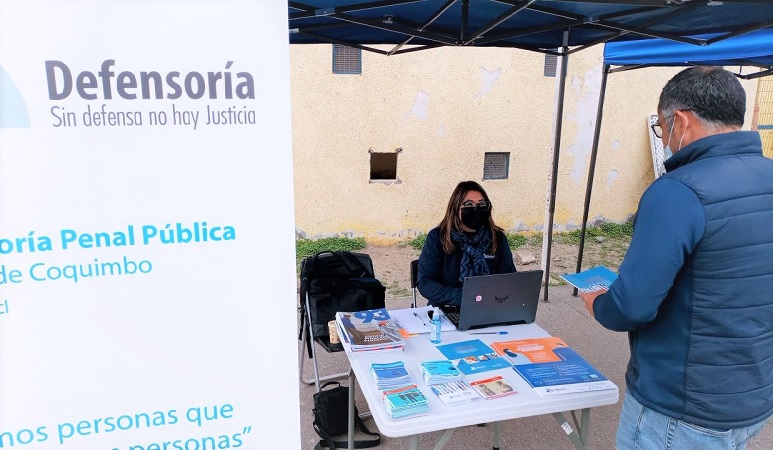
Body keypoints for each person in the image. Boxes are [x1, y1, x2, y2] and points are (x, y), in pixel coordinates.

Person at [580, 66, 773, 450]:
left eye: (662, 129)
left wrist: (600, 302)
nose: (665, 140)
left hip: (678, 408)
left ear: (680, 121)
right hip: (752, 398)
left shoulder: (677, 191)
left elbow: (632, 305)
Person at [417, 180, 516, 307]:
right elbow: (425, 282)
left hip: (490, 306)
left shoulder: (497, 238)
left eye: (481, 204)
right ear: (455, 208)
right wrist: (464, 297)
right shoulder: (438, 238)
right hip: (446, 308)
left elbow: (509, 279)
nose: (476, 209)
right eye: (469, 205)